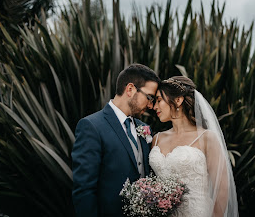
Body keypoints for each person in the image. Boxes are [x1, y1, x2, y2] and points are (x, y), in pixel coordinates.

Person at [72, 64, 160, 217]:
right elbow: (84, 189)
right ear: (130, 89)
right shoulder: (92, 126)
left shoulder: (144, 128)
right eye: (149, 97)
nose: (151, 105)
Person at [149, 76, 239, 217]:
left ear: (178, 100)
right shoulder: (157, 139)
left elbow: (221, 189)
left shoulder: (207, 138)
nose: (154, 107)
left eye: (159, 100)